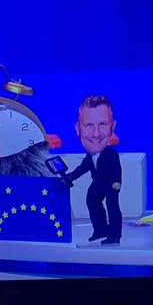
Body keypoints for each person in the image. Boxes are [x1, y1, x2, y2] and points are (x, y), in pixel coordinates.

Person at [65, 95, 123, 245]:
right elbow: (83, 168)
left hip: (110, 184)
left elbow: (116, 169)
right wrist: (71, 176)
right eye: (89, 125)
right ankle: (101, 230)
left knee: (112, 207)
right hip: (98, 183)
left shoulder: (111, 154)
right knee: (91, 200)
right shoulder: (90, 155)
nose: (96, 134)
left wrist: (117, 182)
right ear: (78, 129)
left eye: (102, 124)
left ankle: (115, 235)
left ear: (112, 127)